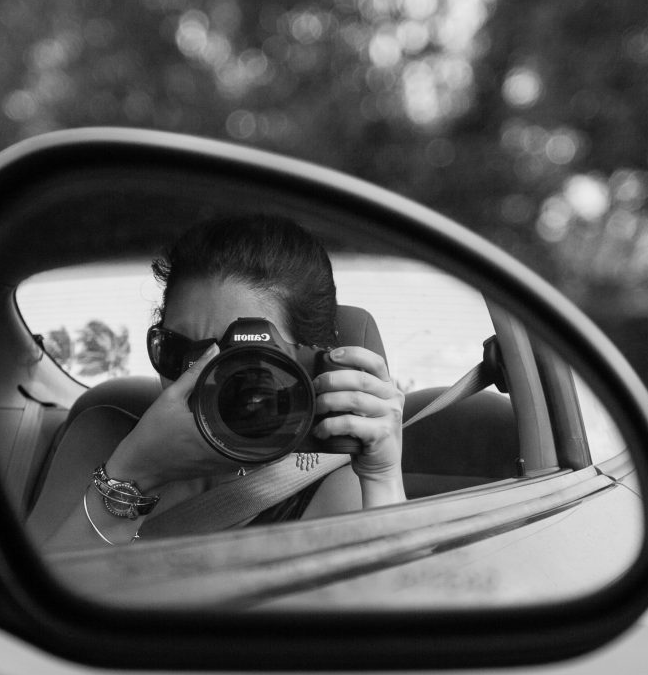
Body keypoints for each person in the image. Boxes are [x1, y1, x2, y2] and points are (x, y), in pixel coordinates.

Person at [35, 214, 404, 552]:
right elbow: (26, 606)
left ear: (312, 364)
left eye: (238, 360)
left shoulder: (338, 490)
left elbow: (383, 609)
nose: (201, 378)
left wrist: (382, 479)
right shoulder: (101, 441)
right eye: (177, 352)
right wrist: (134, 472)